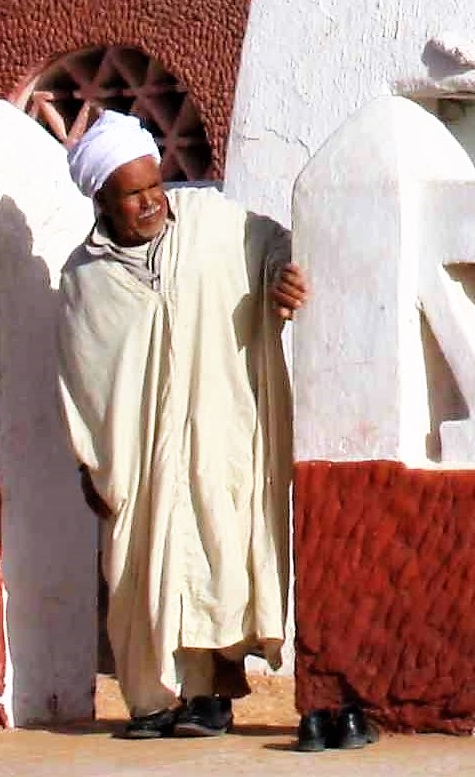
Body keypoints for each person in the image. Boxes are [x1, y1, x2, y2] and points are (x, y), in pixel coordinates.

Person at [57, 110, 308, 739]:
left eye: (154, 186)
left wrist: (281, 278)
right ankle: (153, 701)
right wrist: (91, 459)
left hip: (215, 430)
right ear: (102, 201)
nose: (149, 203)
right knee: (142, 570)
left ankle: (209, 697)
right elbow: (81, 374)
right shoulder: (84, 277)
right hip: (134, 455)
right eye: (131, 194)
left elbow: (274, 242)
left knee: (215, 560)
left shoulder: (213, 225)